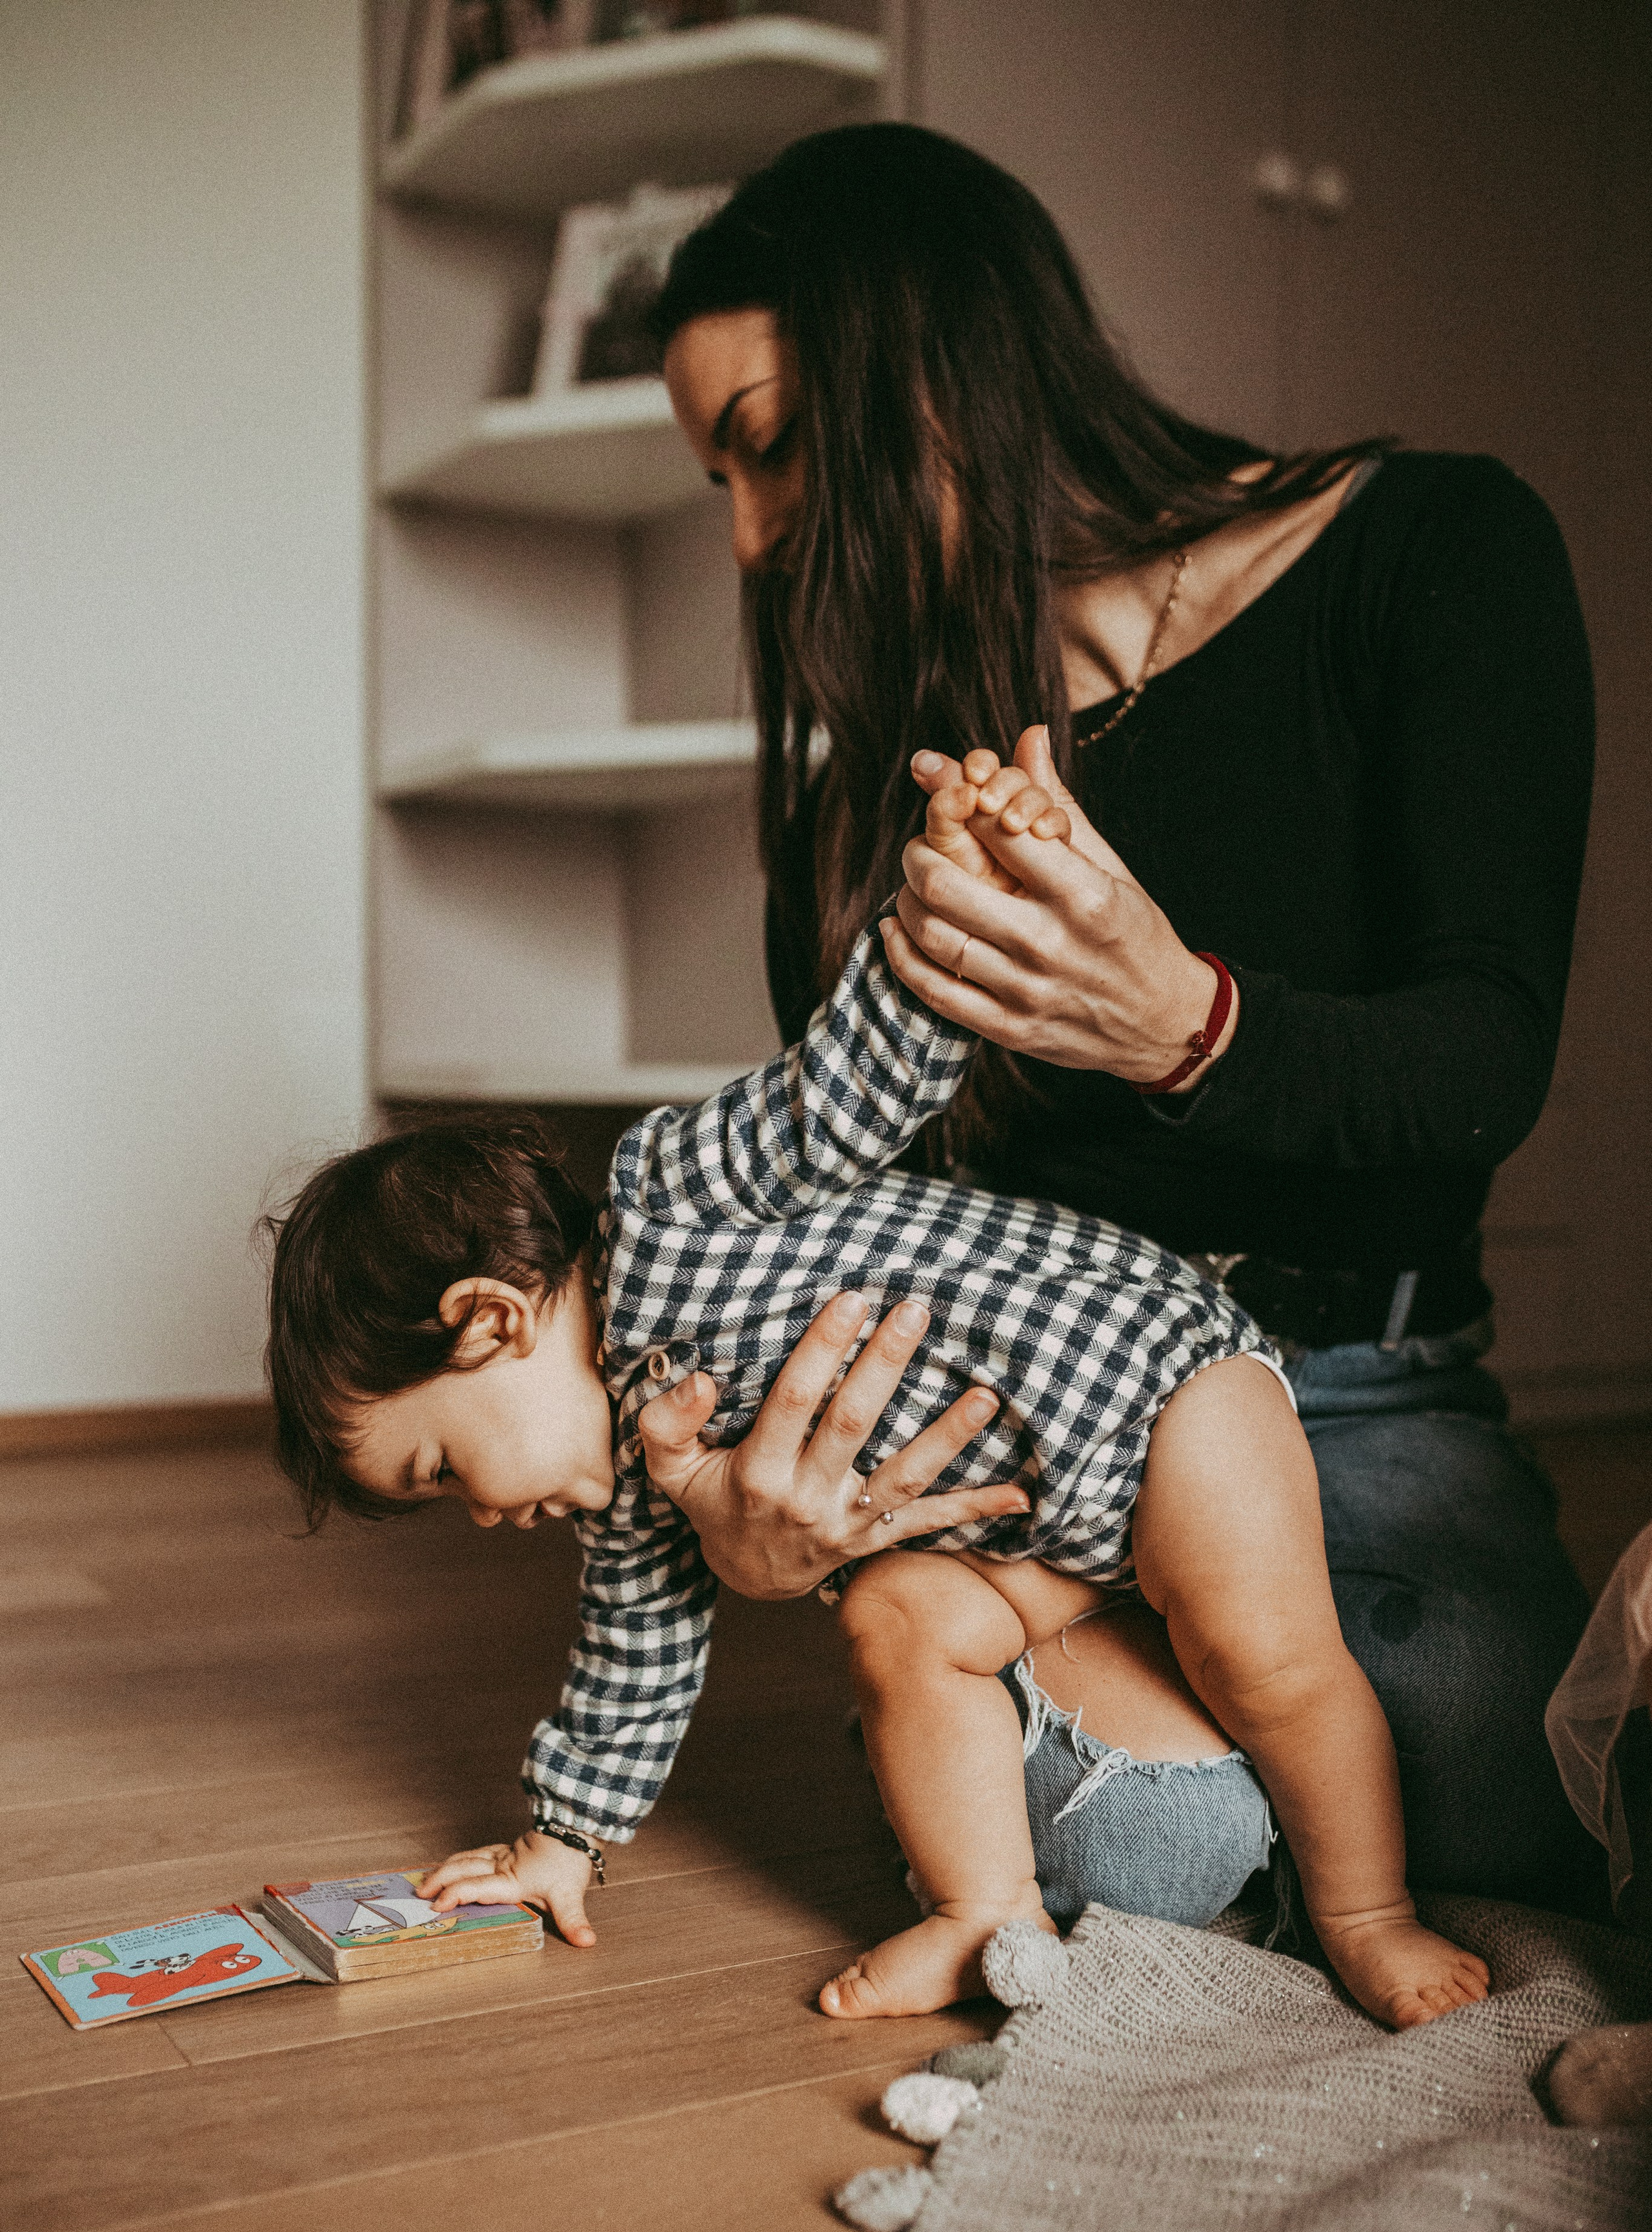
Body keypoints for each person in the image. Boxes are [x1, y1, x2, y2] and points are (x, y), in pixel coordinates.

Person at [638, 119, 1604, 1917]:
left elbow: (1482, 1064)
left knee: (1495, 1781)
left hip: (1360, 1386)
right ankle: (1058, 1708)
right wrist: (751, 1512)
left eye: (767, 449)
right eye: (724, 488)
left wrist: (1186, 1025)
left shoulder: (1435, 552)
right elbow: (863, 1223)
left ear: (932, 355)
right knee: (1162, 1846)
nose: (759, 543)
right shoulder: (877, 806)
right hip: (1036, 1431)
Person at [263, 770, 1488, 2029]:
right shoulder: (633, 1490)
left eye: (439, 1472)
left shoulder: (671, 1193)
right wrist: (560, 1842)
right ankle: (981, 1912)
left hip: (1162, 1393)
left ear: (487, 1321)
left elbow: (844, 1085)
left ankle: (1364, 1913)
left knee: (1264, 1658)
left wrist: (946, 900)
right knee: (900, 1619)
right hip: (1034, 1530)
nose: (475, 1515)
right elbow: (631, 1665)